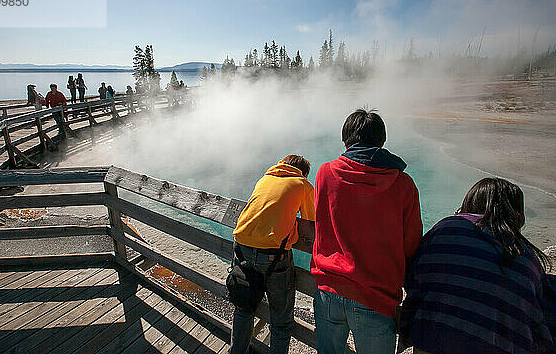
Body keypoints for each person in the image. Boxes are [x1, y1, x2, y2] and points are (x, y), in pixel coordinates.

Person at [310, 109, 422, 354]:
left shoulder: (325, 173)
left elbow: (319, 219)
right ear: (381, 141)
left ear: (346, 141)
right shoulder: (403, 185)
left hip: (328, 287)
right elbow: (412, 244)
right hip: (376, 296)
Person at [400, 178, 555, 354]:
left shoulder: (445, 229)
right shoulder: (526, 257)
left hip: (433, 339)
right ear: (517, 215)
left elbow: (412, 277)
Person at [229, 155, 315, 354]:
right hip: (273, 257)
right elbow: (310, 223)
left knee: (244, 308)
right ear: (304, 173)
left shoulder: (265, 178)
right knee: (281, 321)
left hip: (241, 248)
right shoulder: (303, 185)